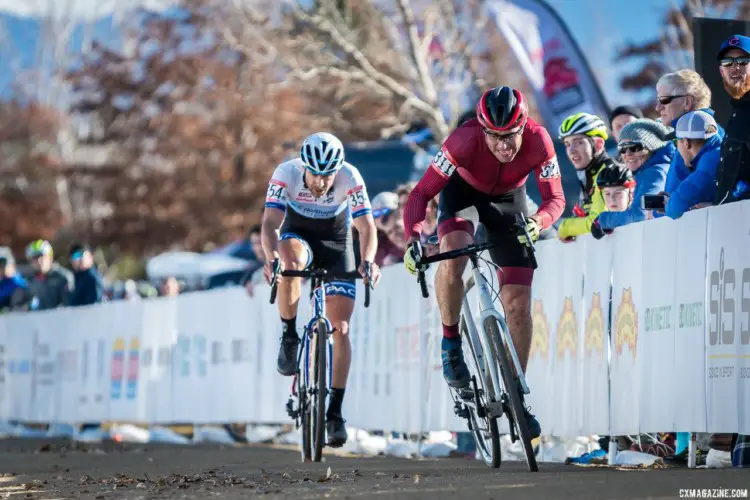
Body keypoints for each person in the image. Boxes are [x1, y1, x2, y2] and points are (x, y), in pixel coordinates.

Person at [402, 86, 566, 439]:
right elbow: (421, 194)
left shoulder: (540, 140)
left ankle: (517, 394)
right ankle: (450, 344)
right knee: (455, 253)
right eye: (494, 136)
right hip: (462, 197)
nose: (504, 145)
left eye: (510, 136)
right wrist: (414, 237)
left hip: (510, 203)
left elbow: (555, 199)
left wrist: (539, 222)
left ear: (524, 126)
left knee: (518, 303)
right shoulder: (462, 141)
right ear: (482, 129)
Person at [261, 131, 381, 447]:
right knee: (290, 260)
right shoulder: (285, 173)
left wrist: (368, 261)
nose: (322, 182)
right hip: (296, 233)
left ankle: (335, 413)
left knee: (340, 327)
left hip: (336, 240)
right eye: (316, 174)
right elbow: (270, 222)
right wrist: (271, 257)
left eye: (329, 175)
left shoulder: (350, 176)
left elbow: (366, 226)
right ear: (304, 167)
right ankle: (289, 334)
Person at [591, 119, 673, 238]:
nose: (627, 153)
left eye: (635, 147)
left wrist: (603, 220)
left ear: (651, 147)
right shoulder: (643, 171)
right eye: (623, 148)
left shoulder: (655, 172)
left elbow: (639, 215)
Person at [556, 113, 615, 242]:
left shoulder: (608, 173)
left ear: (598, 144)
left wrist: (566, 227)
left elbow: (598, 222)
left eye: (578, 142)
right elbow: (583, 213)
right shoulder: (589, 174)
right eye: (567, 144)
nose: (571, 151)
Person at [662, 110, 722, 219]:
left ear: (686, 142)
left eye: (676, 142)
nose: (677, 148)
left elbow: (675, 207)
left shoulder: (710, 160)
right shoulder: (716, 151)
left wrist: (664, 207)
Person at [714, 34, 750, 204]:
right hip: (733, 220)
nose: (735, 67)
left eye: (743, 61)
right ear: (722, 71)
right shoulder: (737, 112)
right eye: (728, 62)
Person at [24, 239, 73, 310]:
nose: (39, 261)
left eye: (42, 256)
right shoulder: (30, 280)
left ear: (50, 257)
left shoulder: (63, 277)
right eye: (35, 258)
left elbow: (69, 304)